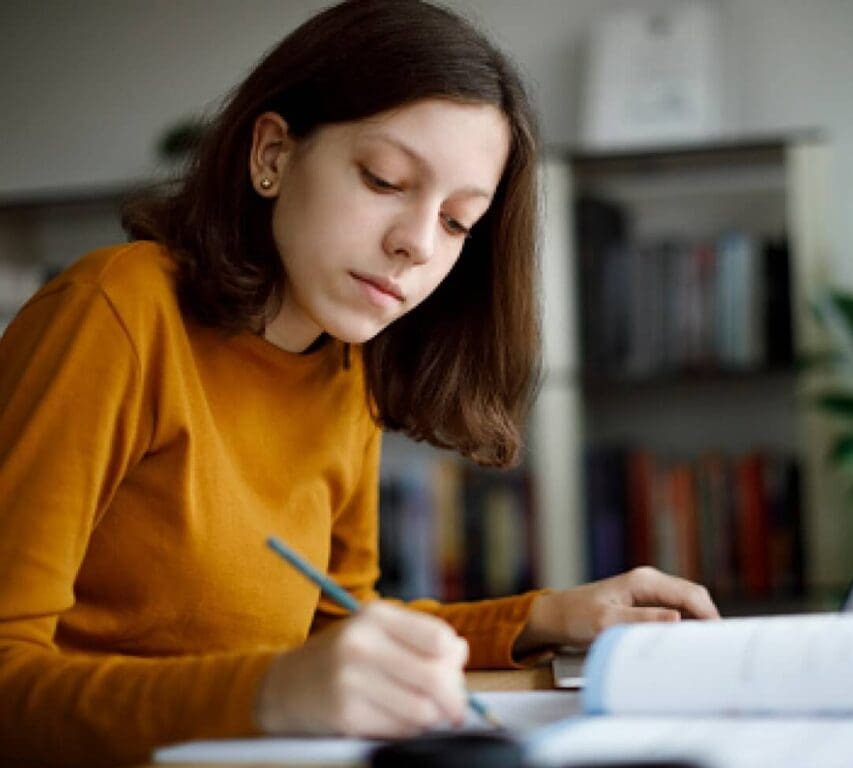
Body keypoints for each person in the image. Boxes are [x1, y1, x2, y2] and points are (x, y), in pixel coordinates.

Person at [0, 1, 719, 765]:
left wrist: (546, 615)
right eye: (384, 179)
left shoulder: (344, 359)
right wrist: (269, 695)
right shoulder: (115, 312)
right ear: (272, 154)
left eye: (456, 223)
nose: (415, 243)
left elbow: (335, 628)